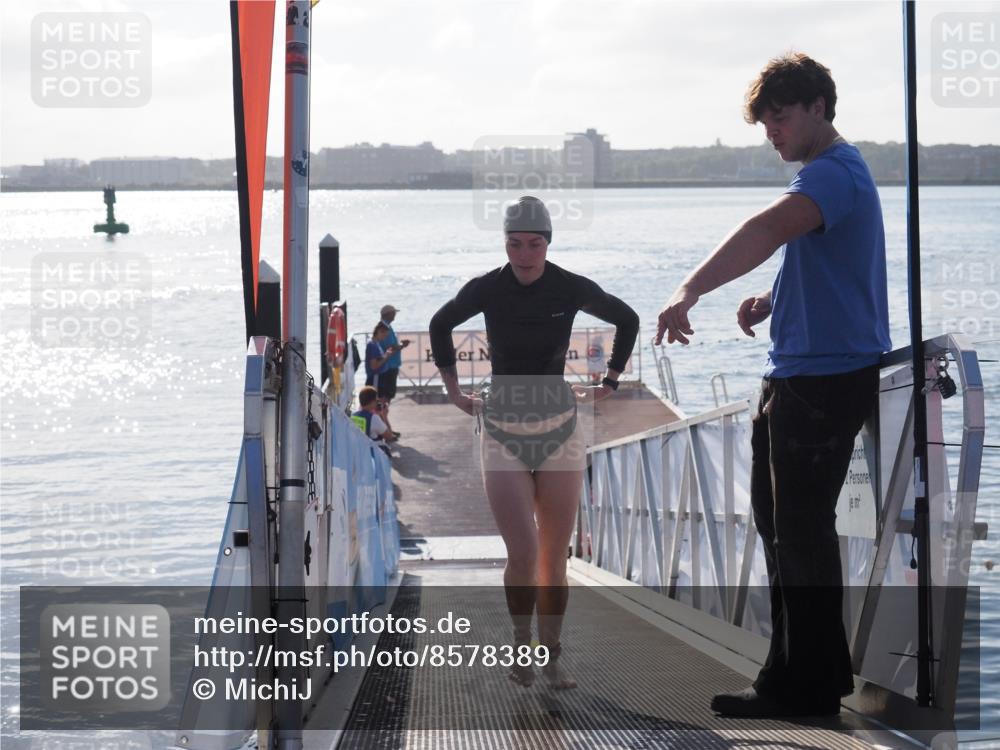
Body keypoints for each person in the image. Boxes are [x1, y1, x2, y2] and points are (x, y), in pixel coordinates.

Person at [655, 53, 890, 717]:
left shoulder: (834, 173)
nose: (772, 134)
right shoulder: (832, 178)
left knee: (802, 534)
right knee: (783, 531)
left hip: (823, 381)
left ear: (818, 105)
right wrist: (771, 297)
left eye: (780, 118)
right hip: (800, 375)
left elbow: (767, 228)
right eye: (765, 124)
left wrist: (690, 289)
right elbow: (821, 260)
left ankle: (809, 687)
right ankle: (792, 676)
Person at [430, 196, 640, 689]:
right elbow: (442, 323)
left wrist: (610, 380)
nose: (524, 253)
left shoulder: (568, 286)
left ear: (548, 243)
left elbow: (626, 319)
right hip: (502, 428)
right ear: (504, 244)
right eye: (514, 244)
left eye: (534, 243)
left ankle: (552, 656)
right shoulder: (489, 287)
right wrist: (453, 390)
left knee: (553, 555)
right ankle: (520, 647)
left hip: (560, 430)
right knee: (522, 552)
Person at [379, 304, 410, 438]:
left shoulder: (385, 326)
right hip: (388, 367)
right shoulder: (384, 327)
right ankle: (385, 429)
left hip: (389, 366)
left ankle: (386, 427)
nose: (395, 315)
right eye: (393, 313)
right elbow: (391, 347)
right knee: (385, 398)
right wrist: (403, 345)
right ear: (388, 314)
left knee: (386, 398)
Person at [365, 322, 399, 438]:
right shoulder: (373, 345)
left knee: (382, 407)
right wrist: (386, 357)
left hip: (379, 378)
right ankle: (385, 433)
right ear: (379, 332)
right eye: (384, 336)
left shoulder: (376, 344)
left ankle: (387, 430)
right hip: (376, 379)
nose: (384, 338)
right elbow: (374, 365)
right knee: (379, 407)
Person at [351, 385, 394, 455]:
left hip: (358, 454)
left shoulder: (353, 416)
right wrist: (384, 416)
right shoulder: (373, 418)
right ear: (372, 402)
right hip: (372, 457)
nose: (377, 403)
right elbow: (389, 436)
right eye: (376, 400)